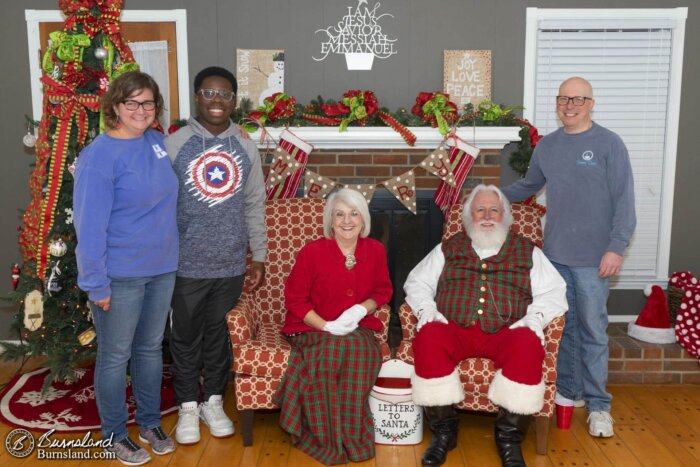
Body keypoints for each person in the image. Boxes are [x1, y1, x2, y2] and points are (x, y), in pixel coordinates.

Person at [501, 77, 636, 439]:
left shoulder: (609, 144)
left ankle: (599, 407)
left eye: (578, 99)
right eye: (563, 98)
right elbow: (528, 186)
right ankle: (569, 393)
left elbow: (624, 200)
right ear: (557, 103)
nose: (569, 105)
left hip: (596, 259)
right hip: (556, 257)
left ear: (592, 103)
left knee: (593, 331)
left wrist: (616, 247)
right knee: (564, 329)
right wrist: (490, 196)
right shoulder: (548, 146)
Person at [404, 184, 567, 467]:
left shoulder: (527, 250)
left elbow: (554, 292)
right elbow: (417, 281)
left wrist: (534, 319)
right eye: (480, 209)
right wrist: (426, 309)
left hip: (507, 331)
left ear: (504, 215)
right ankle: (444, 432)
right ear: (470, 216)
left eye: (494, 209)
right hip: (454, 329)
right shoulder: (448, 247)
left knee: (528, 343)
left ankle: (509, 439)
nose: (487, 215)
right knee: (429, 337)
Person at [74, 71, 179, 465]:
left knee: (151, 349)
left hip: (162, 268)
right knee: (116, 356)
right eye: (132, 103)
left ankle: (149, 423)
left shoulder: (155, 142)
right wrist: (95, 284)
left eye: (148, 102)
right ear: (115, 106)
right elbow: (89, 225)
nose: (141, 110)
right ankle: (115, 434)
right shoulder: (98, 157)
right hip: (120, 276)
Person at [165, 66, 267, 444]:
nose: (216, 101)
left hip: (229, 264)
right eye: (208, 93)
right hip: (185, 264)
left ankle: (212, 401)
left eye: (224, 94)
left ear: (234, 100)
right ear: (197, 97)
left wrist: (258, 256)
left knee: (218, 336)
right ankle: (187, 407)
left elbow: (255, 204)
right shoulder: (174, 145)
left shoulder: (246, 145)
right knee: (186, 337)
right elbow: (161, 205)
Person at [275, 188, 393, 465]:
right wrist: (326, 325)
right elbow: (295, 299)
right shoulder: (312, 252)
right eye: (339, 214)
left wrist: (360, 309)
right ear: (330, 220)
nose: (347, 220)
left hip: (359, 326)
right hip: (312, 328)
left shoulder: (374, 250)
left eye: (354, 214)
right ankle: (325, 439)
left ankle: (353, 437)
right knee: (331, 352)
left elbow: (383, 290)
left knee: (358, 352)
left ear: (363, 219)